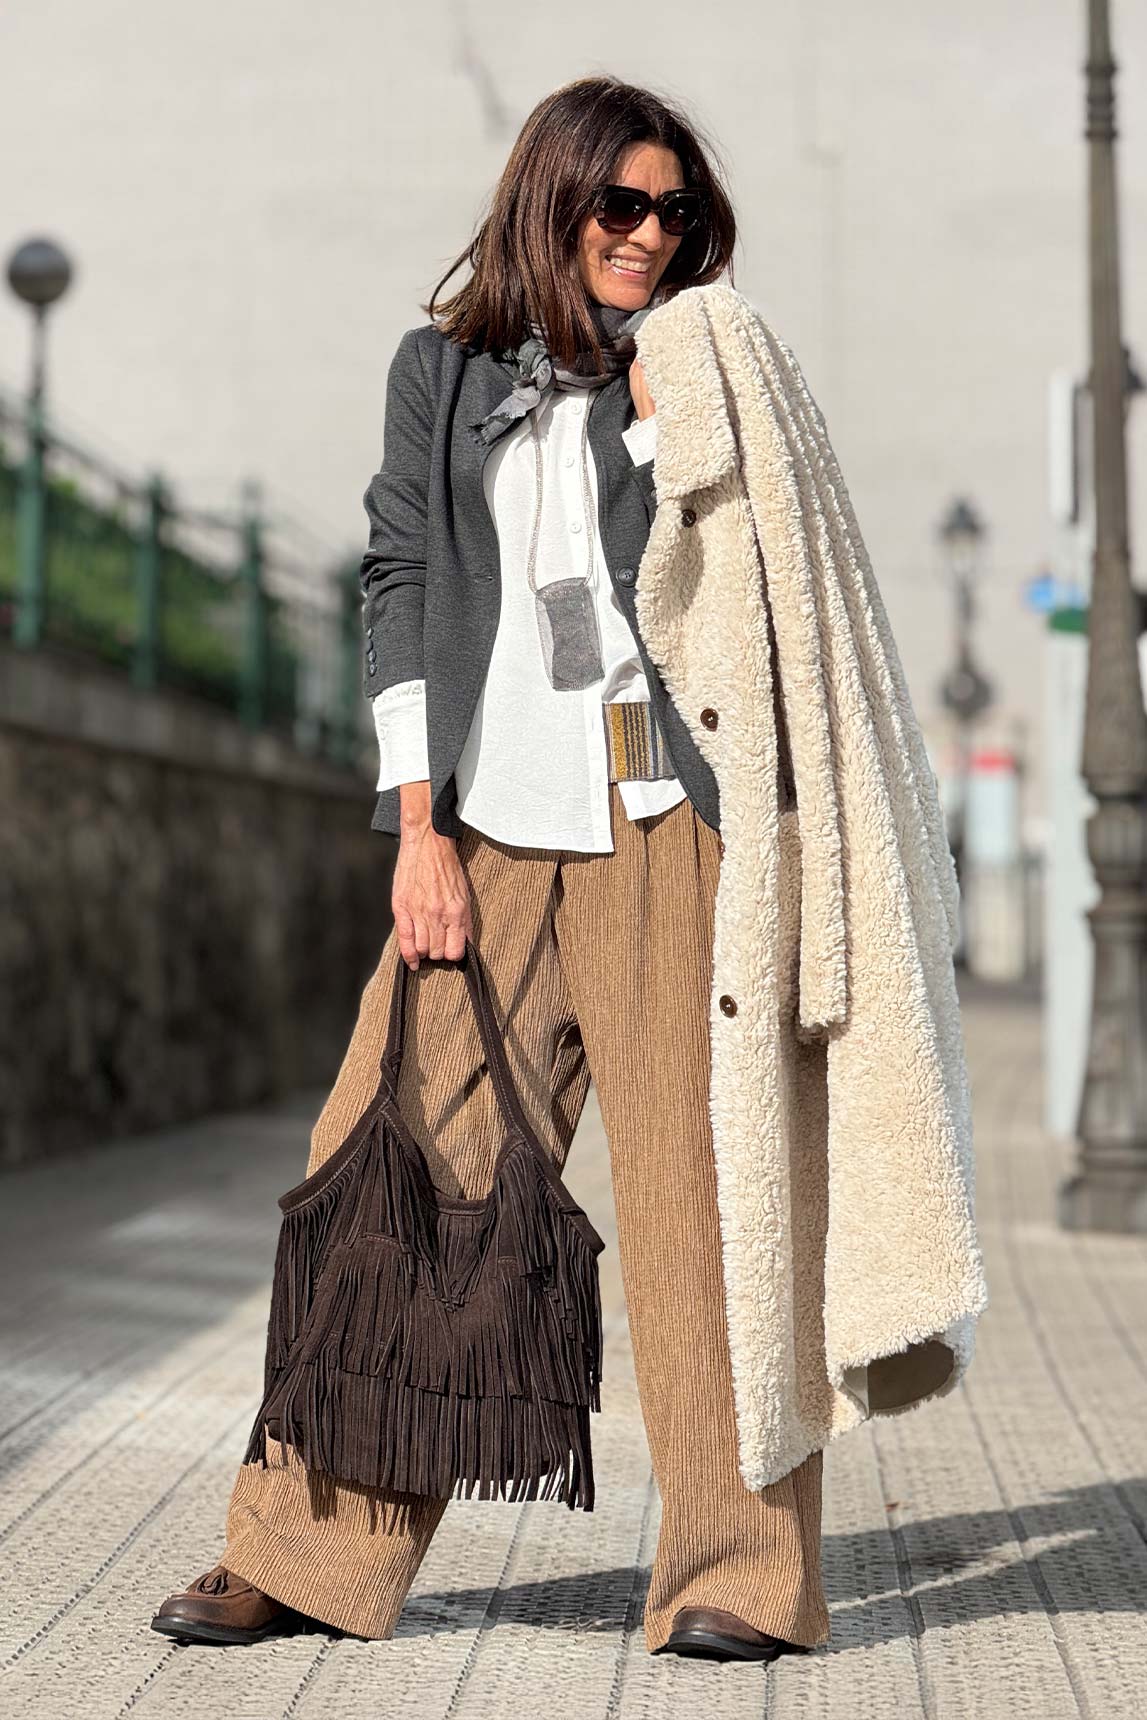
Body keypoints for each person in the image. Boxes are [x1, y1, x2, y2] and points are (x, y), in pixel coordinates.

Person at [152, 72, 826, 1664]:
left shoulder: (708, 366)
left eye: (675, 212)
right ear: (554, 200)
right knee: (388, 1162)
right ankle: (301, 1551)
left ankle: (741, 1573)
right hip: (489, 831)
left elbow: (761, 581)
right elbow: (398, 573)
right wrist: (419, 829)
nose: (649, 235)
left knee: (701, 1202)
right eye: (622, 205)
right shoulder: (440, 373)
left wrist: (671, 424)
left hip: (669, 831)